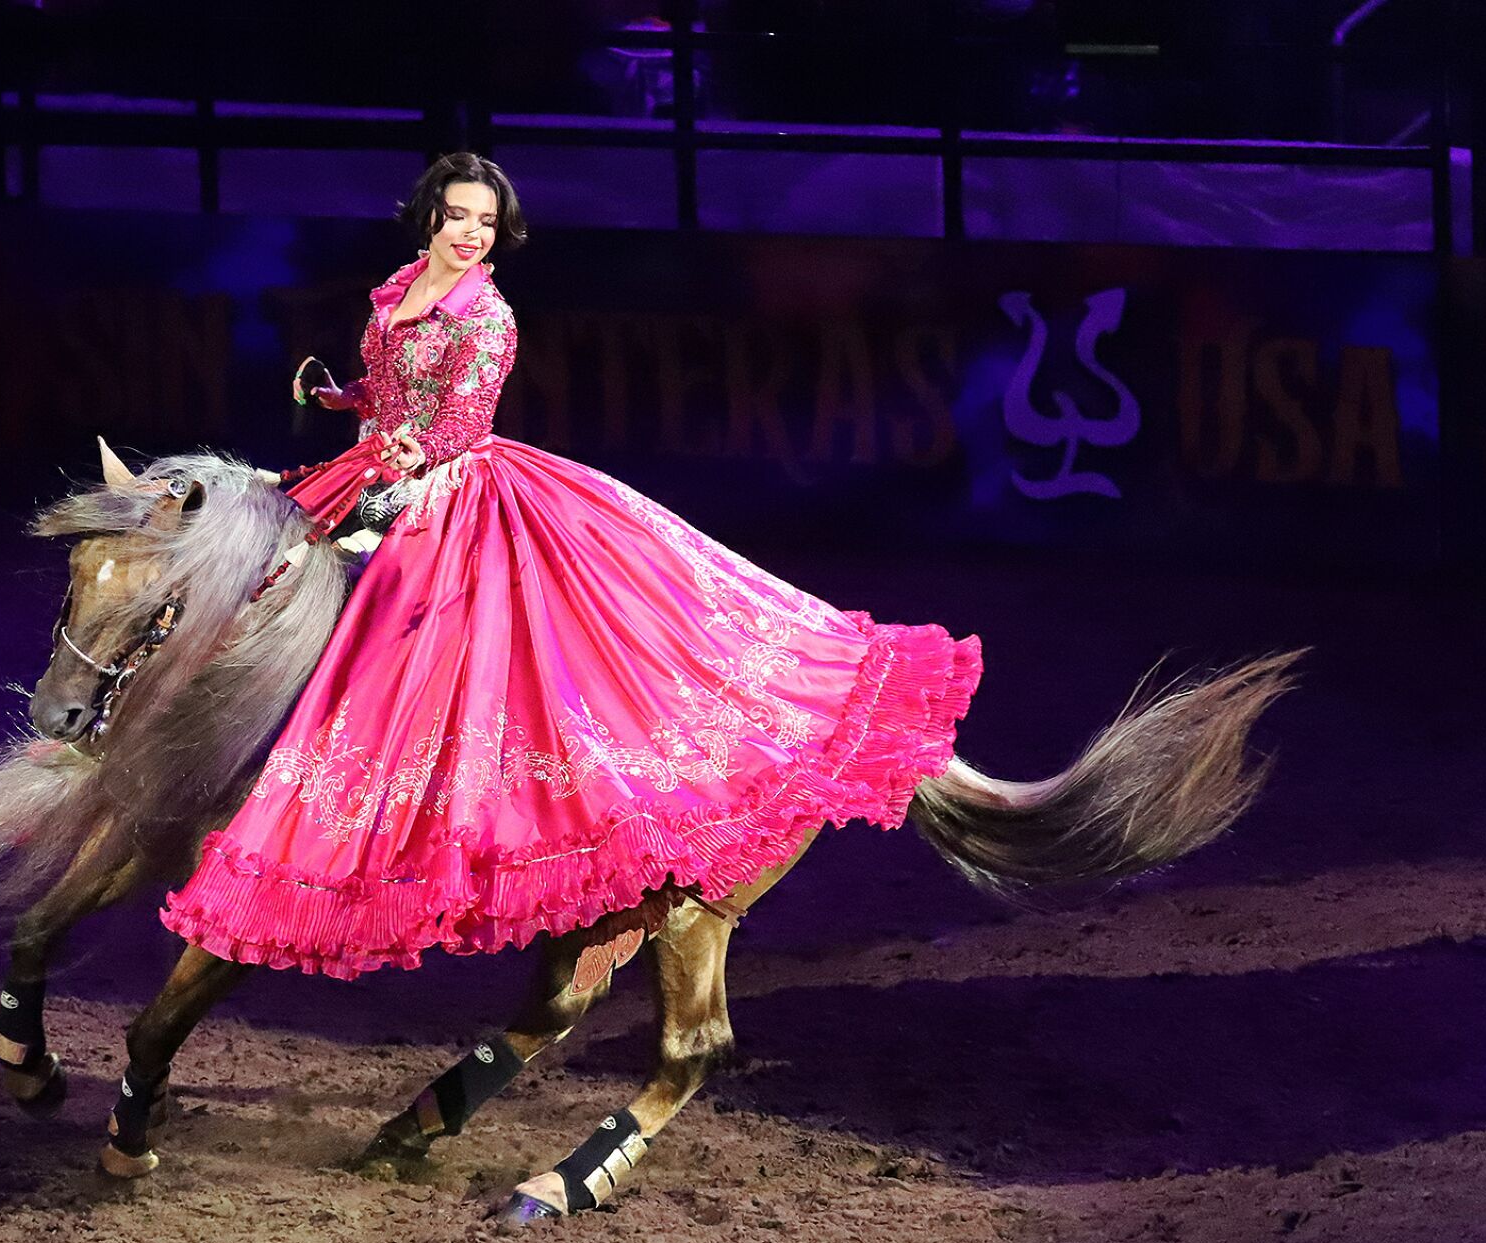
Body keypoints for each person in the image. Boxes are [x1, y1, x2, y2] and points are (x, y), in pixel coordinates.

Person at [160, 152, 981, 979]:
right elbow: (395, 387)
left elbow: (461, 420)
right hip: (380, 463)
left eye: (487, 222)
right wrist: (349, 400)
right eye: (460, 217)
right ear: (429, 218)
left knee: (372, 605)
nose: (474, 234)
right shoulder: (401, 285)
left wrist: (415, 448)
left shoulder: (489, 317)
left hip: (448, 489)